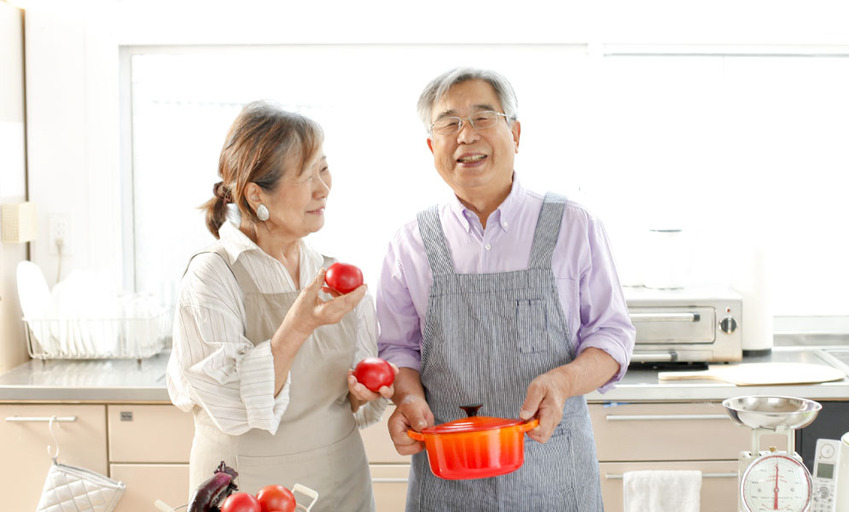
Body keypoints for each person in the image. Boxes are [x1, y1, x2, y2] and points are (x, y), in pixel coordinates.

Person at [377, 68, 636, 510]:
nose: (465, 136)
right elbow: (397, 350)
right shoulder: (410, 242)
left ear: (515, 133)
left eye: (482, 118)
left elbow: (612, 338)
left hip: (555, 476)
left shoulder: (574, 225)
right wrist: (407, 397)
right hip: (447, 482)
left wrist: (563, 380)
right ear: (430, 146)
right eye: (448, 123)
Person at [167, 101, 390, 511]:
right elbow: (232, 403)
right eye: (307, 176)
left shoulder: (333, 274)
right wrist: (298, 325)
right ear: (256, 193)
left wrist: (362, 393)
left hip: (341, 484)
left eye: (325, 169)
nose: (324, 188)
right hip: (246, 491)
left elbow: (355, 400)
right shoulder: (214, 275)